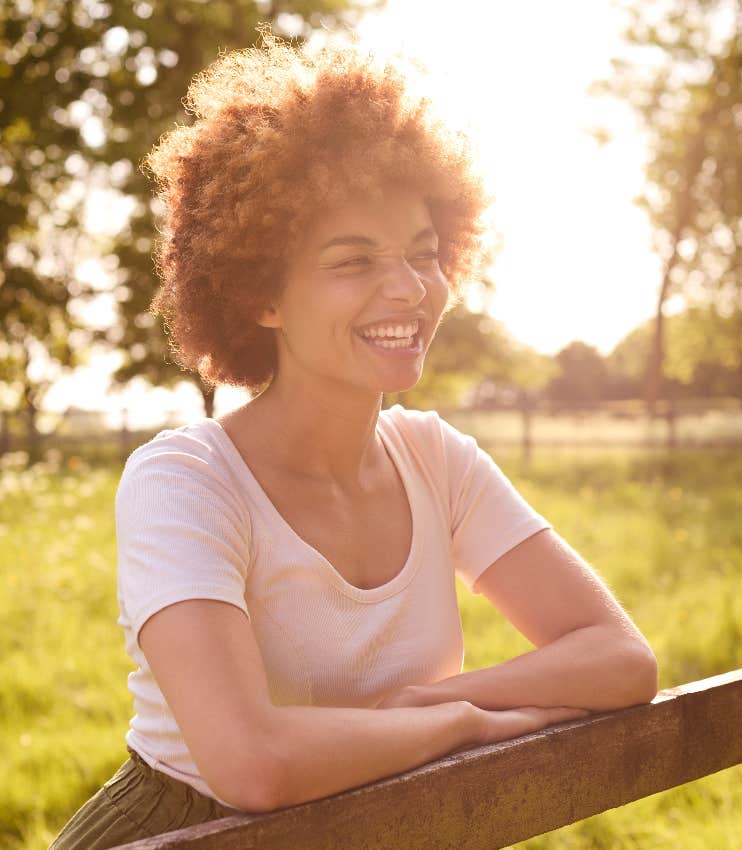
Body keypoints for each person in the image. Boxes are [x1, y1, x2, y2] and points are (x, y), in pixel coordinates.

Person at [48, 29, 658, 849]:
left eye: (423, 254)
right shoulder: (184, 481)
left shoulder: (437, 460)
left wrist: (433, 702)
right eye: (353, 261)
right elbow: (252, 764)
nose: (407, 288)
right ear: (261, 292)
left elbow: (621, 660)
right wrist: (466, 725)